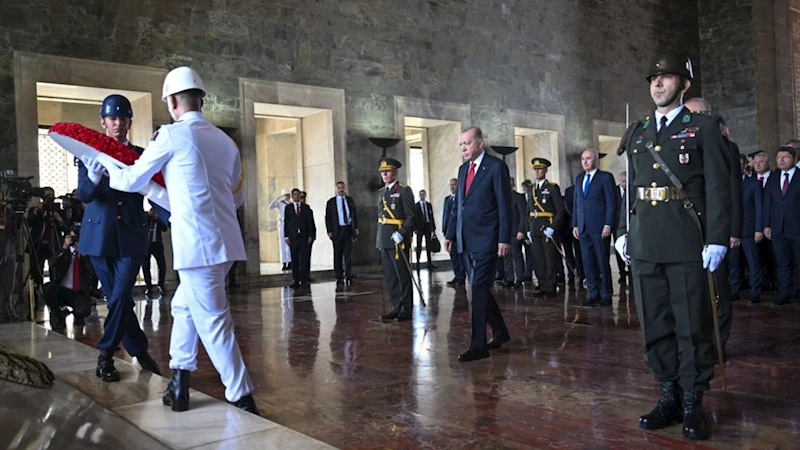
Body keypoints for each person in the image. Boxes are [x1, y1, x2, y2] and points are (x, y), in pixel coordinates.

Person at [87, 67, 258, 414]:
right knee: (183, 308)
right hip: (225, 243)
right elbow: (234, 198)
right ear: (202, 99)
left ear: (174, 101)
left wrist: (102, 163)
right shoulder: (227, 142)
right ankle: (178, 384)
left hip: (198, 246)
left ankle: (242, 397)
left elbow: (132, 180)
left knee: (213, 321)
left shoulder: (171, 135)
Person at [616, 51, 731, 441]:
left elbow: (719, 187)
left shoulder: (703, 127)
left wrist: (716, 238)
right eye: (653, 78)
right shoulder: (639, 132)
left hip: (686, 241)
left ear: (683, 85)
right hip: (645, 241)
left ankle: (693, 401)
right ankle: (668, 394)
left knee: (692, 327)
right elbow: (629, 188)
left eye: (666, 77)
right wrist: (621, 229)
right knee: (656, 325)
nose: (658, 83)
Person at [77, 94, 161, 382]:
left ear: (129, 122)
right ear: (103, 122)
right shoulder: (88, 153)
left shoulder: (140, 154)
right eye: (113, 118)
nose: (118, 123)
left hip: (131, 233)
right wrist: (93, 177)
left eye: (123, 118)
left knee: (122, 294)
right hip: (98, 234)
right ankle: (139, 350)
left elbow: (153, 189)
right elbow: (84, 195)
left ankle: (106, 354)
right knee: (118, 299)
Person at [444, 127, 511, 362]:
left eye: (467, 143)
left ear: (480, 143)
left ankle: (478, 345)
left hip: (488, 239)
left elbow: (505, 205)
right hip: (465, 238)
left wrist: (504, 238)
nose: (463, 148)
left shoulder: (495, 167)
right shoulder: (463, 170)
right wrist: (450, 234)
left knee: (478, 290)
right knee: (480, 288)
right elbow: (458, 207)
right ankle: (501, 332)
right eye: (461, 144)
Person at [684, 97, 743, 357]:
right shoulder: (678, 146)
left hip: (714, 228)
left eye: (699, 114)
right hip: (686, 230)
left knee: (717, 289)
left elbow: (732, 191)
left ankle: (718, 344)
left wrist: (732, 231)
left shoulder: (725, 146)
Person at [573, 148, 617, 306]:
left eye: (588, 158)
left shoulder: (605, 177)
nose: (585, 161)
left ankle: (606, 294)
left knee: (602, 261)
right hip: (583, 227)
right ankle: (593, 293)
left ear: (596, 160)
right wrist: (575, 224)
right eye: (583, 158)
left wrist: (608, 224)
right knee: (587, 262)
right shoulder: (579, 179)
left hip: (599, 228)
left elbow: (612, 203)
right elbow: (577, 203)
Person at [375, 157, 416, 322]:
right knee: (391, 277)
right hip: (385, 239)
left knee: (402, 275)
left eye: (388, 171)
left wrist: (403, 232)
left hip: (399, 239)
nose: (384, 174)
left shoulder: (404, 190)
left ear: (395, 172)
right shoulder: (381, 193)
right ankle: (396, 307)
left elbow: (411, 216)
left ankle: (406, 308)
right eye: (382, 172)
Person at [763, 146, 800, 306]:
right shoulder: (773, 178)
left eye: (785, 157)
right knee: (782, 263)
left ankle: (798, 293)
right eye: (779, 157)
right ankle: (784, 293)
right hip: (778, 228)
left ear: (794, 159)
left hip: (797, 227)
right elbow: (767, 203)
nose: (782, 160)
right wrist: (766, 225)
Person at [527, 158, 565, 297]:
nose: (537, 171)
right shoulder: (531, 189)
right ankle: (542, 284)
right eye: (535, 169)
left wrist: (553, 227)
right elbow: (528, 210)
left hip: (547, 226)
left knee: (550, 258)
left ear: (545, 170)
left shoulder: (552, 187)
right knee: (538, 259)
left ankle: (551, 286)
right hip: (535, 227)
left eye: (540, 169)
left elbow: (560, 210)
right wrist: (528, 228)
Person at [43, 230, 92, 329]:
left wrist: (84, 256)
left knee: (83, 310)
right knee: (49, 289)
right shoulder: (64, 253)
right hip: (63, 290)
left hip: (79, 292)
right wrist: (64, 248)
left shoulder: (85, 255)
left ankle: (78, 315)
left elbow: (93, 272)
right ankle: (58, 315)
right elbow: (52, 263)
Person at [325, 181, 358, 285]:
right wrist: (329, 231)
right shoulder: (331, 202)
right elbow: (328, 217)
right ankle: (338, 275)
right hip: (337, 230)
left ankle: (348, 275)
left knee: (348, 254)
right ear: (336, 189)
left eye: (342, 187)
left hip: (348, 229)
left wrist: (355, 228)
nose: (341, 189)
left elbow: (354, 215)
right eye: (339, 188)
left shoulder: (350, 200)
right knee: (338, 254)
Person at [284, 188, 316, 289]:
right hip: (293, 237)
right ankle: (296, 280)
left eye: (298, 194)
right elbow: (286, 223)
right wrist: (286, 236)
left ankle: (304, 279)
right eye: (295, 195)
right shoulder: (288, 208)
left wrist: (311, 235)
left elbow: (310, 222)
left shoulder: (306, 208)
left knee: (304, 258)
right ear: (292, 196)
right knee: (294, 259)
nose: (297, 196)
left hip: (304, 237)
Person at [502, 177, 527, 288]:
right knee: (506, 255)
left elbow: (523, 215)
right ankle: (509, 278)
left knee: (516, 255)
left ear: (513, 185)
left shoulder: (519, 197)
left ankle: (519, 278)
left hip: (515, 231)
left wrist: (522, 230)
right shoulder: (501, 197)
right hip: (505, 232)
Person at [443, 178, 466, 286]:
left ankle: (462, 276)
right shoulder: (447, 199)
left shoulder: (462, 198)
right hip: (449, 232)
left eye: (454, 185)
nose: (452, 187)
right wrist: (445, 230)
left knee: (460, 255)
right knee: (453, 255)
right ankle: (457, 275)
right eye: (451, 185)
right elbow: (446, 215)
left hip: (459, 233)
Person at [142, 208, 168, 300]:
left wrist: (158, 219)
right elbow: (142, 225)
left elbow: (165, 228)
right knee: (145, 266)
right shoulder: (145, 216)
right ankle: (148, 287)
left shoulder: (159, 217)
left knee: (162, 265)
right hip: (146, 245)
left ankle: (161, 285)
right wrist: (149, 216)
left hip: (157, 244)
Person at [269, 188, 293, 271]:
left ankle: (290, 261)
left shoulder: (291, 204)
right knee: (282, 244)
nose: (287, 196)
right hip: (282, 224)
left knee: (289, 244)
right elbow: (271, 207)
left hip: (289, 225)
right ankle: (284, 262)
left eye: (288, 195)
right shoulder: (280, 203)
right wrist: (277, 198)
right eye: (286, 195)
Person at [414, 190, 437, 270]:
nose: (422, 196)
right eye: (421, 194)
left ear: (425, 195)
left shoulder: (428, 205)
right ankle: (417, 262)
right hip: (419, 227)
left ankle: (429, 263)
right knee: (419, 245)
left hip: (427, 226)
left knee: (428, 245)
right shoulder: (416, 206)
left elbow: (431, 216)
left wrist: (433, 228)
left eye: (423, 194)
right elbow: (414, 218)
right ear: (419, 196)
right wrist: (415, 228)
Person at [614, 171, 629, 285]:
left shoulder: (632, 191)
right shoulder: (614, 191)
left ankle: (632, 272)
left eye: (626, 181)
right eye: (622, 181)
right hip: (617, 225)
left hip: (630, 225)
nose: (624, 184)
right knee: (618, 248)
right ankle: (622, 272)